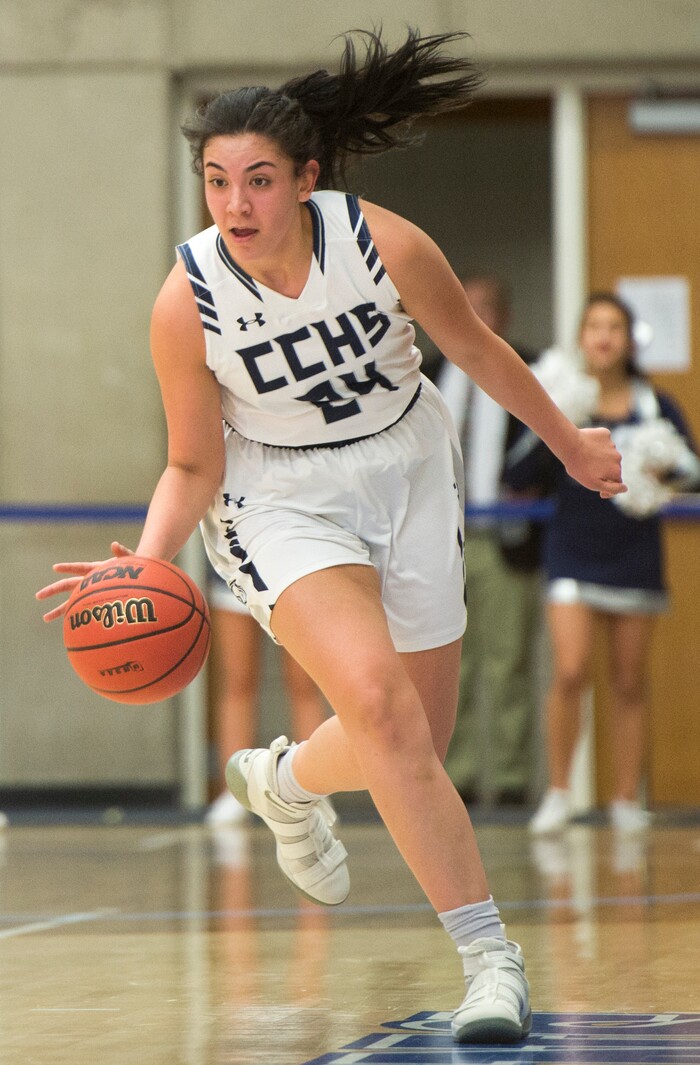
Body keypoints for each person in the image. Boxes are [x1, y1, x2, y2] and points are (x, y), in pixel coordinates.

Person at [36, 30, 626, 1045]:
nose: (236, 204)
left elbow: (475, 351)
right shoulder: (188, 302)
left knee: (416, 745)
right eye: (217, 181)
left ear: (306, 178)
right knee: (384, 711)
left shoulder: (380, 243)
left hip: (406, 469)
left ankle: (283, 780)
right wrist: (148, 557)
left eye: (259, 181)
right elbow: (192, 463)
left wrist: (568, 444)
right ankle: (490, 958)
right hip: (278, 498)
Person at [504, 293, 700, 836]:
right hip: (572, 548)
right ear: (581, 337)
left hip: (634, 552)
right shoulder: (561, 399)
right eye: (594, 326)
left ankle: (622, 799)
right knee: (570, 670)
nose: (604, 336)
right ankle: (560, 793)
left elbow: (693, 470)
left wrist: (669, 470)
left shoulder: (655, 404)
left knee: (629, 681)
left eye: (615, 326)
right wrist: (559, 424)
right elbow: (517, 474)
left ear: (629, 338)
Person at [436, 275, 542, 806]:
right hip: (440, 545)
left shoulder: (532, 368)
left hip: (504, 539)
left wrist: (528, 486)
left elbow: (549, 443)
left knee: (507, 662)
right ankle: (454, 776)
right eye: (467, 304)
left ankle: (509, 777)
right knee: (448, 663)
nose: (476, 315)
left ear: (505, 315)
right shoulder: (423, 369)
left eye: (488, 306)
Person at [206, 572, 327, 825]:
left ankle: (315, 792)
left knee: (305, 685)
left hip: (294, 564)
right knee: (238, 682)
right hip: (235, 560)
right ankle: (234, 791)